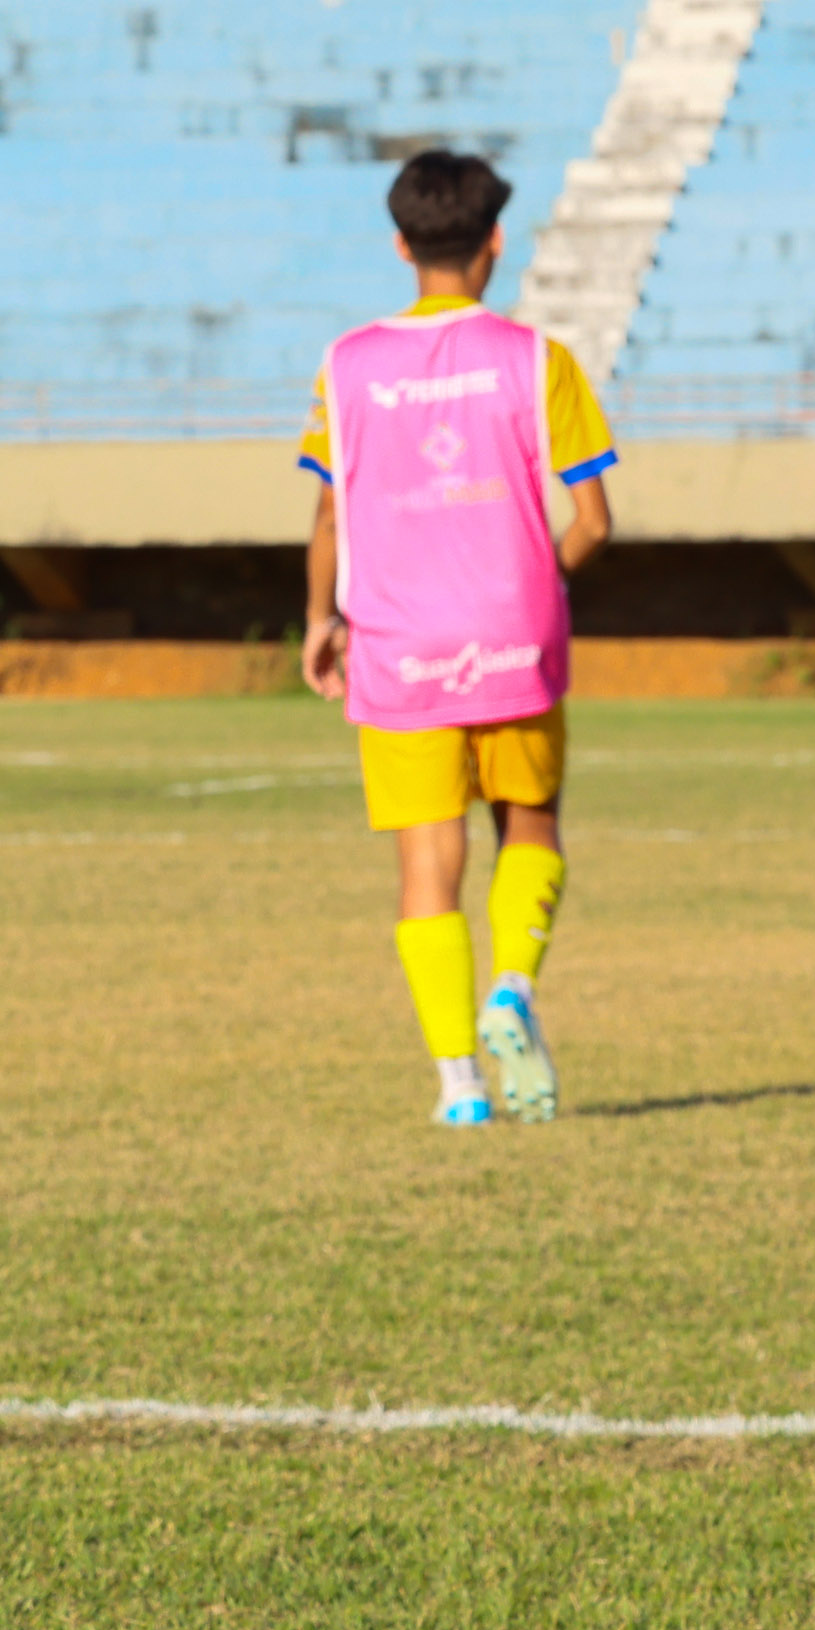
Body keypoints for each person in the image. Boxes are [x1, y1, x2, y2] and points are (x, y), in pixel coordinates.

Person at [299, 150, 614, 1124]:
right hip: (512, 638)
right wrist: (529, 584)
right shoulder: (536, 359)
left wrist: (320, 619)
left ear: (401, 245)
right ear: (495, 242)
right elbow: (594, 519)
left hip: (397, 644)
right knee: (529, 819)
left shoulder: (347, 362)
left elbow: (329, 517)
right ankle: (512, 987)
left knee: (425, 865)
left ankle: (459, 1089)